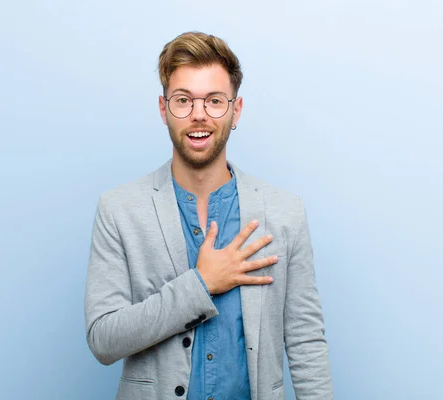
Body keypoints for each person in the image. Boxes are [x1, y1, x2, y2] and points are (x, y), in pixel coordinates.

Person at [85, 31, 333, 400]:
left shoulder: (285, 212)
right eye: (183, 100)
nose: (199, 115)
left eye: (214, 100)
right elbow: (103, 339)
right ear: (163, 108)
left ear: (236, 110)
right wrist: (200, 284)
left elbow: (305, 340)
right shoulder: (118, 209)